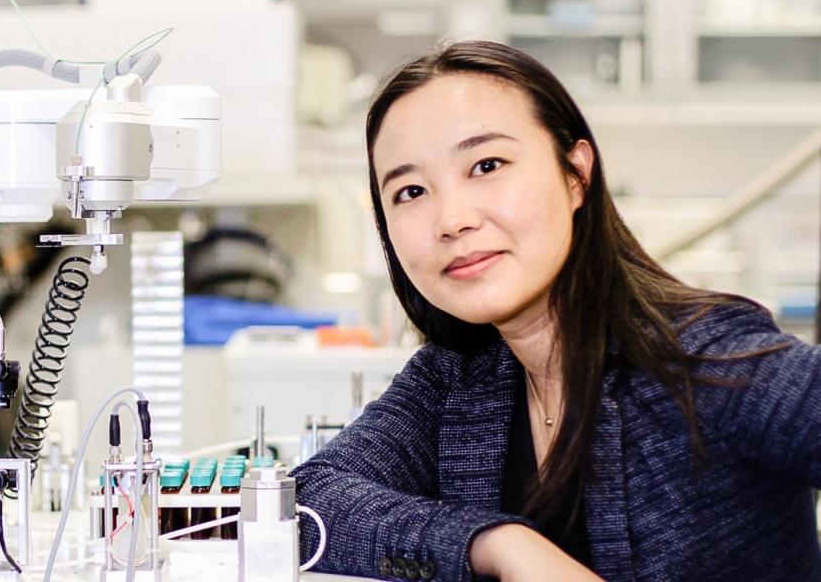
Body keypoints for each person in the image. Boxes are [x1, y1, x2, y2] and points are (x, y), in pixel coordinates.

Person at [291, 40, 821, 581]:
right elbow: (309, 502)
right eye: (410, 191)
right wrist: (499, 543)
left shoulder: (707, 360)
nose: (451, 219)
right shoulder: (461, 375)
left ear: (576, 174)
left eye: (486, 164)